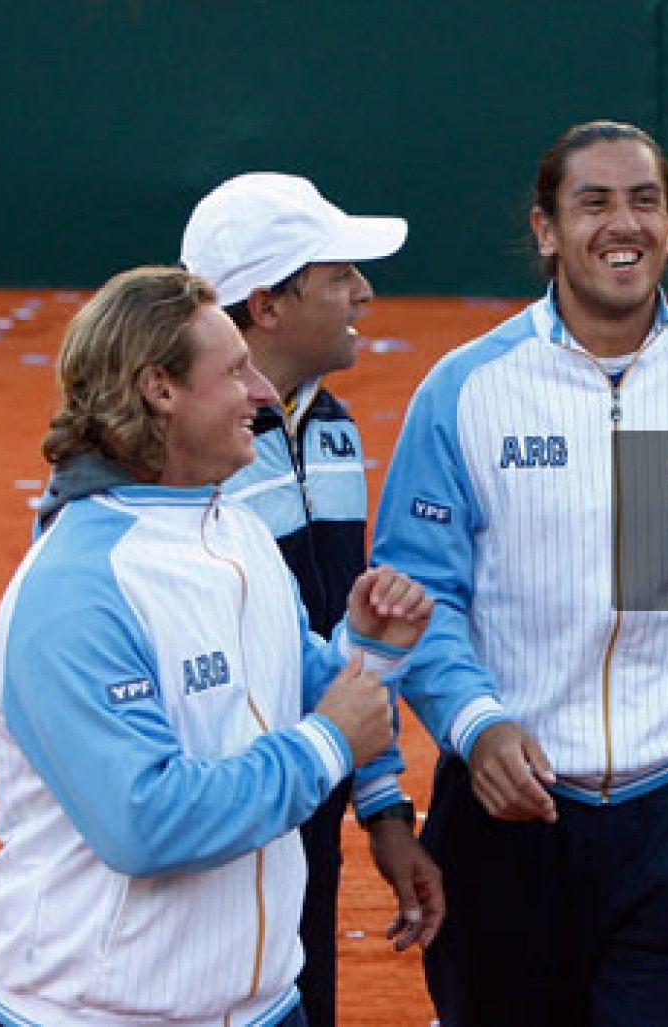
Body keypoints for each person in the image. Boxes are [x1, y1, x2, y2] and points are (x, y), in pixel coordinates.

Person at [371, 120, 668, 1025]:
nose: (623, 224)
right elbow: (414, 601)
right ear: (547, 229)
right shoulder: (465, 388)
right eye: (594, 203)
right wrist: (480, 726)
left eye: (645, 201)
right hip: (510, 821)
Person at [0, 266, 433, 1026]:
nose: (262, 392)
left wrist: (369, 650)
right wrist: (327, 744)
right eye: (235, 371)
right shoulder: (76, 590)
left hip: (262, 1006)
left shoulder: (240, 534)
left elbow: (313, 690)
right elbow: (144, 820)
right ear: (160, 388)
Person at [181, 171, 444, 1026]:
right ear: (266, 304)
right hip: (219, 828)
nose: (364, 290)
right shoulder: (182, 457)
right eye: (339, 275)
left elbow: (345, 643)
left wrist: (379, 803)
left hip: (311, 801)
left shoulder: (330, 425)